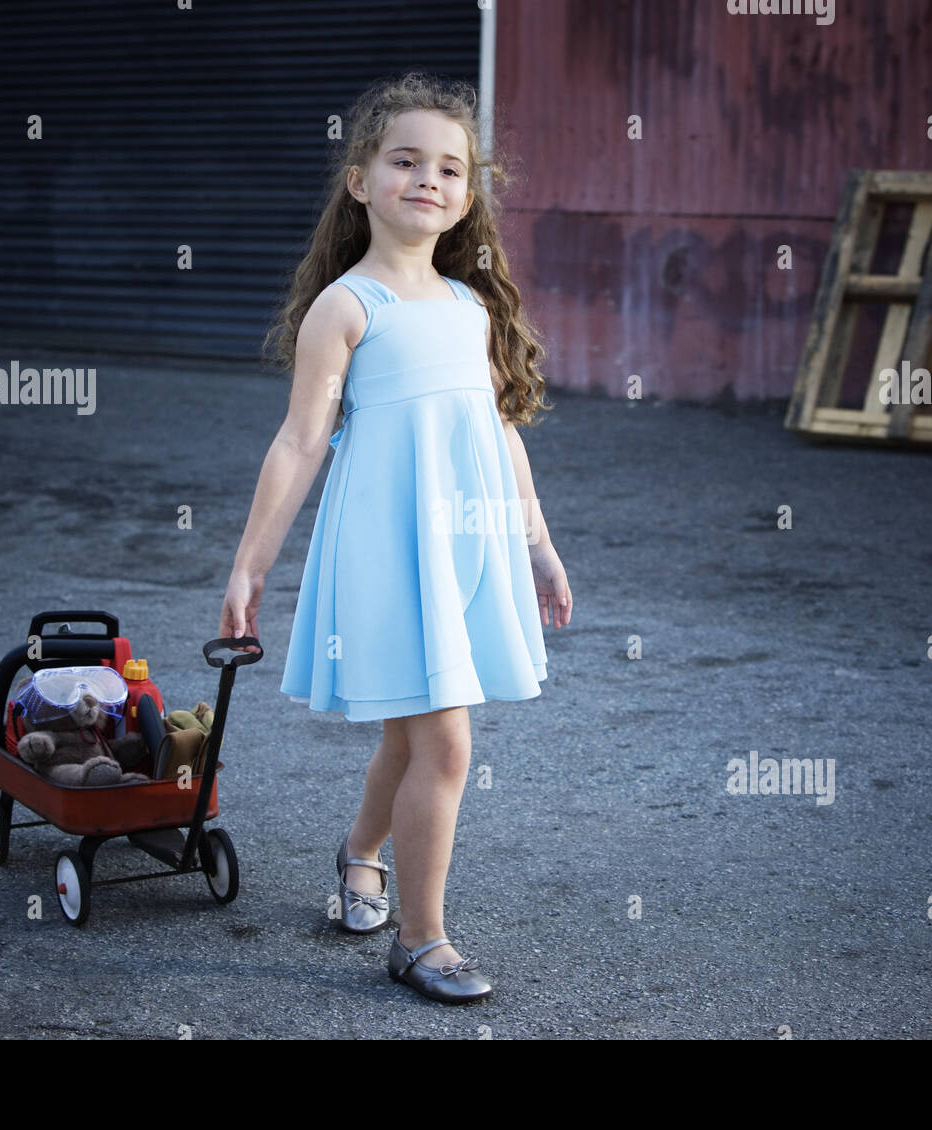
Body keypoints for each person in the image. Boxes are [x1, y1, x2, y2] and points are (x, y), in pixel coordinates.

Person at [219, 72, 573, 1004]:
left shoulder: (472, 307)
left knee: (413, 739)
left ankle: (359, 856)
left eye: (451, 168)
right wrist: (249, 567)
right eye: (406, 160)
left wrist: (536, 542)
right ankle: (423, 941)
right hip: (387, 553)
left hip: (468, 548)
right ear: (361, 180)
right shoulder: (348, 307)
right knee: (445, 745)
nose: (430, 179)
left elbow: (499, 433)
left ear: (467, 198)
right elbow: (300, 442)